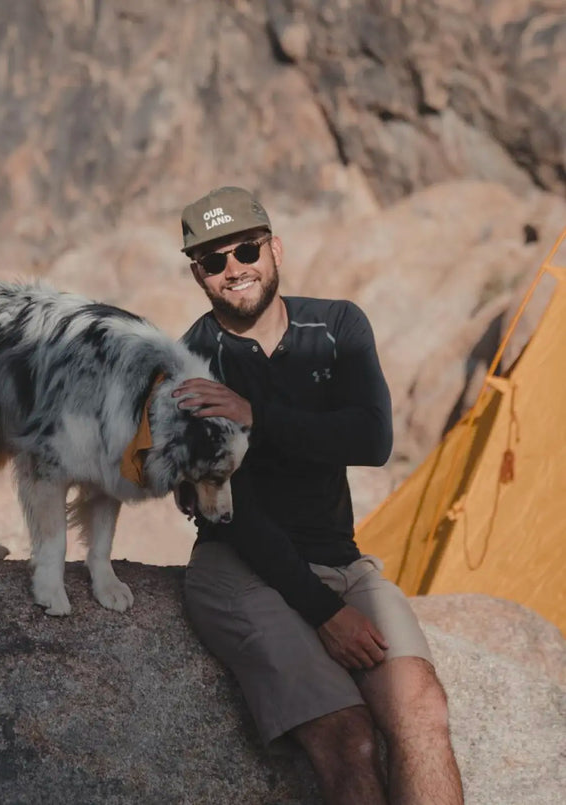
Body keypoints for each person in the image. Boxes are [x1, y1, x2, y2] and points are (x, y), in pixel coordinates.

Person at [172, 186, 464, 805]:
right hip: (241, 567)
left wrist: (256, 416)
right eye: (213, 261)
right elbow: (229, 509)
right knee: (349, 738)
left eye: (245, 249)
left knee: (422, 710)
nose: (233, 270)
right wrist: (323, 613)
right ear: (197, 273)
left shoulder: (337, 327)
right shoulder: (187, 364)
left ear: (274, 247)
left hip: (340, 556)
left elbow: (372, 438)